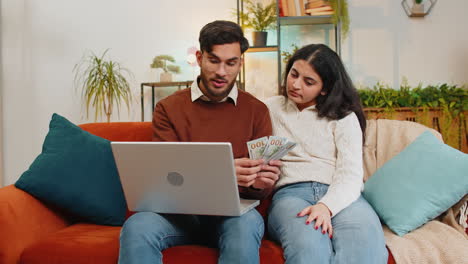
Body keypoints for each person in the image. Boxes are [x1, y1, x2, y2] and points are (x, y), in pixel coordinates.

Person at [118, 20, 282, 264]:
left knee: (244, 228)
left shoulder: (257, 110)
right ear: (199, 57)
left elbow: (263, 184)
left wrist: (260, 182)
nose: (221, 72)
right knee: (137, 226)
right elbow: (165, 176)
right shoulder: (168, 108)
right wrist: (224, 173)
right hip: (178, 215)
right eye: (214, 60)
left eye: (231, 63)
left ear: (241, 63)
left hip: (236, 215)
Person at [265, 44, 388, 264]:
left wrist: (326, 206)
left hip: (342, 195)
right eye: (294, 74)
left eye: (308, 81)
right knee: (310, 250)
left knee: (366, 248)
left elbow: (350, 175)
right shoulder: (270, 108)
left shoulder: (344, 117)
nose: (295, 84)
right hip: (292, 194)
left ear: (324, 89)